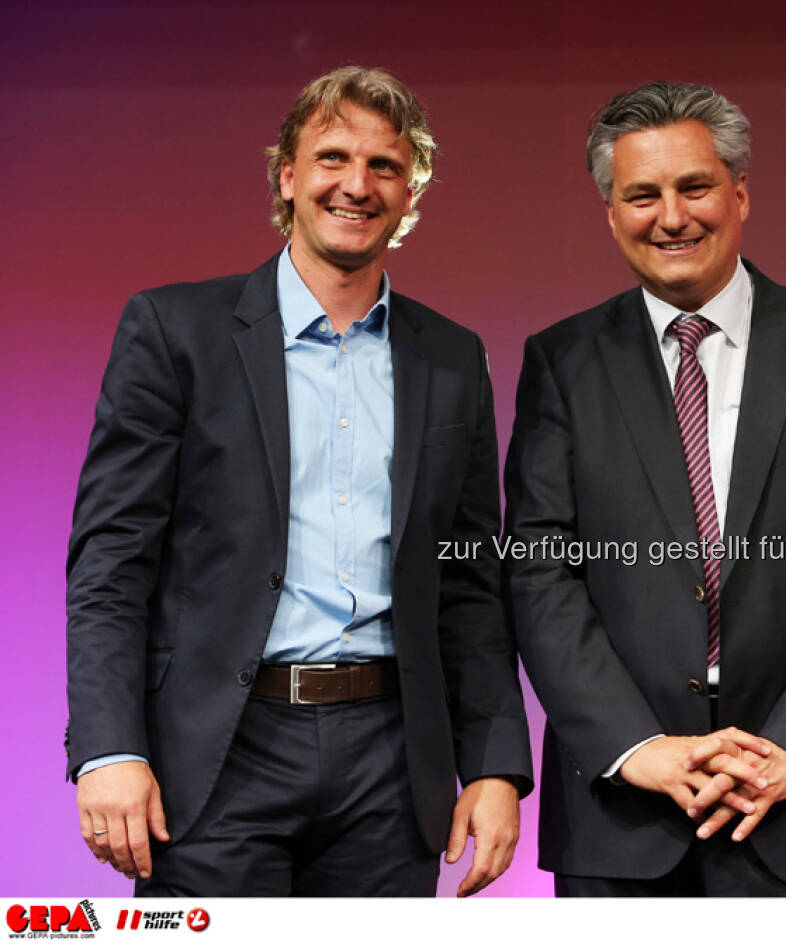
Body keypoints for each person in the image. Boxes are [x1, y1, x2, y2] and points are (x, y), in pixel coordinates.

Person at [65, 66, 532, 897]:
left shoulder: (453, 358)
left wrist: (494, 764)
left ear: (411, 188)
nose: (357, 185)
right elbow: (111, 561)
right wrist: (109, 747)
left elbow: (470, 582)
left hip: (392, 765)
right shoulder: (176, 331)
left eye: (384, 166)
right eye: (332, 158)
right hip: (217, 756)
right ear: (287, 174)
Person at [503, 80, 786, 896]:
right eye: (642, 195)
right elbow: (538, 569)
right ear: (610, 212)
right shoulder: (561, 361)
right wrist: (636, 745)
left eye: (694, 186)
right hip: (623, 820)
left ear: (739, 193)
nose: (672, 216)